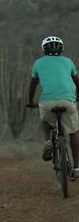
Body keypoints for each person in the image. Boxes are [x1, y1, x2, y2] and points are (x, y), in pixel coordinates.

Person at [28, 36, 79, 179]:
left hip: (48, 102)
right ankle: (76, 168)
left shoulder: (38, 63)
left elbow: (33, 85)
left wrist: (30, 101)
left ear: (44, 49)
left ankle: (48, 141)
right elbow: (77, 81)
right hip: (68, 101)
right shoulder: (68, 62)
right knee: (74, 132)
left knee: (45, 119)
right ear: (61, 48)